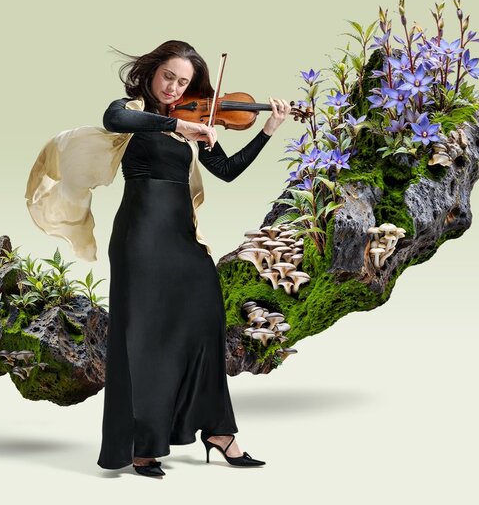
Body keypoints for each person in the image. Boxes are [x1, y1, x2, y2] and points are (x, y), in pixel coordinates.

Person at [24, 39, 289, 478]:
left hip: (183, 240)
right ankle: (143, 447)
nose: (174, 87)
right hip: (140, 238)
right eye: (169, 76)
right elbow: (114, 118)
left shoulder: (195, 119)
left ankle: (219, 432)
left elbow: (226, 171)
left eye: (184, 82)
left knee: (207, 324)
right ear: (151, 73)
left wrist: (267, 130)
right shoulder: (133, 113)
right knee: (141, 338)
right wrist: (178, 128)